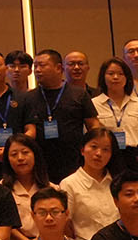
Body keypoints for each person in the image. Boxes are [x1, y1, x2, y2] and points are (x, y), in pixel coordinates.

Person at [27, 50, 101, 183]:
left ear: (58, 68)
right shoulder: (29, 97)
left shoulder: (78, 94)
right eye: (35, 66)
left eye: (42, 65)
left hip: (73, 161)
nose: (37, 70)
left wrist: (93, 149)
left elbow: (93, 125)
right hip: (40, 163)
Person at [60, 130, 120, 240]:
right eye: (94, 147)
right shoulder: (69, 184)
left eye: (105, 149)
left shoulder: (118, 182)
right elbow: (65, 223)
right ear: (82, 150)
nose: (98, 154)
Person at [2, 134, 53, 240]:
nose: (20, 158)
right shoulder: (0, 189)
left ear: (35, 155)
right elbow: (4, 225)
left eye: (25, 152)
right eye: (14, 154)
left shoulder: (52, 189)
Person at [95, 57, 138, 151]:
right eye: (111, 73)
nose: (115, 77)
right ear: (103, 77)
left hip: (134, 154)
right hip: (107, 154)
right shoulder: (94, 104)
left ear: (127, 77)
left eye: (121, 74)